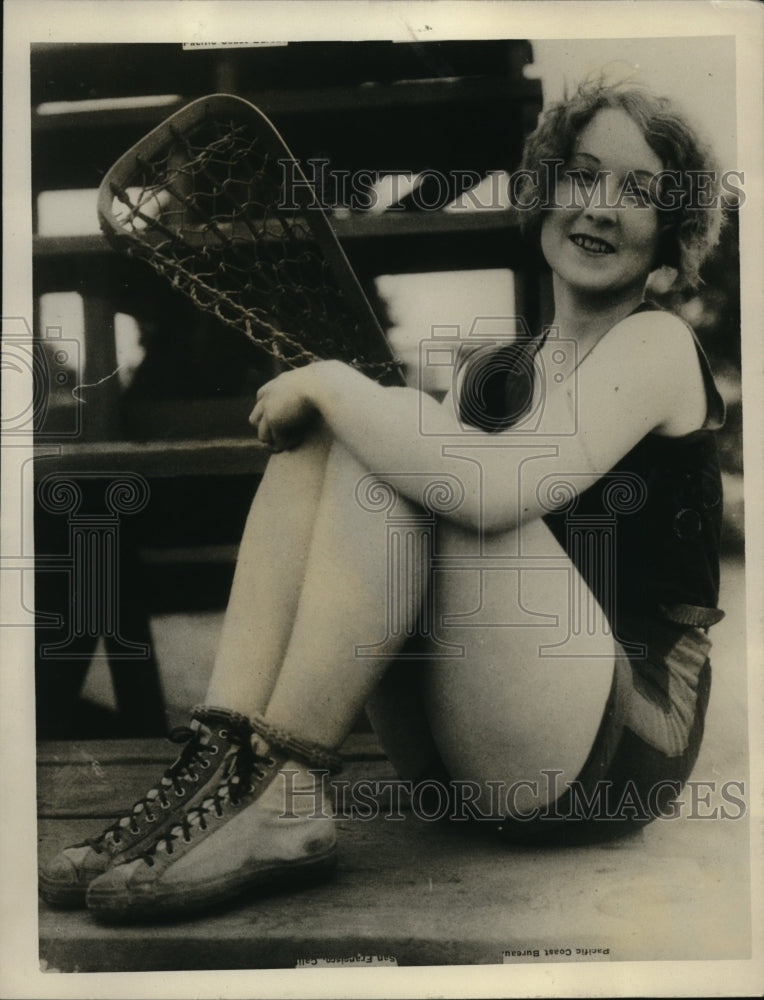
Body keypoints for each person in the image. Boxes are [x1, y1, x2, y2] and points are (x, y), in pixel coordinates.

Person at [39, 80, 728, 920]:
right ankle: (222, 767)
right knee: (352, 437)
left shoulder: (657, 342)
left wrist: (333, 382)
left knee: (383, 424)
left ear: (669, 235)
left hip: (612, 753)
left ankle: (286, 797)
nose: (600, 207)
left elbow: (489, 488)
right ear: (545, 187)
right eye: (581, 175)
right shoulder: (490, 376)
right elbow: (403, 487)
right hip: (468, 749)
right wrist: (350, 407)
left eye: (639, 191)